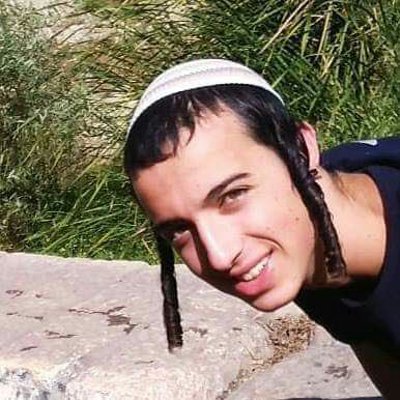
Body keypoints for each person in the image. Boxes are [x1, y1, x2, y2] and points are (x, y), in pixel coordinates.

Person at [124, 59, 400, 398]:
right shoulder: (308, 226)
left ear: (301, 150)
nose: (220, 255)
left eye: (232, 195)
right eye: (179, 230)